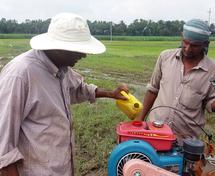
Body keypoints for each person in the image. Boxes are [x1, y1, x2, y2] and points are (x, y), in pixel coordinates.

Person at [0, 13, 128, 176]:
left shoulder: (61, 68)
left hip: (61, 169)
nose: (84, 55)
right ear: (60, 48)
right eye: (79, 50)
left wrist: (111, 94)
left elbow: (78, 89)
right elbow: (3, 149)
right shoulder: (20, 75)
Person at [135, 19, 215, 144]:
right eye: (185, 42)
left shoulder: (212, 69)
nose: (188, 48)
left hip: (186, 139)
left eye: (195, 45)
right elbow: (153, 90)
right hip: (155, 130)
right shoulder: (165, 57)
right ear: (181, 36)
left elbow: (210, 104)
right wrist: (140, 120)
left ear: (205, 44)